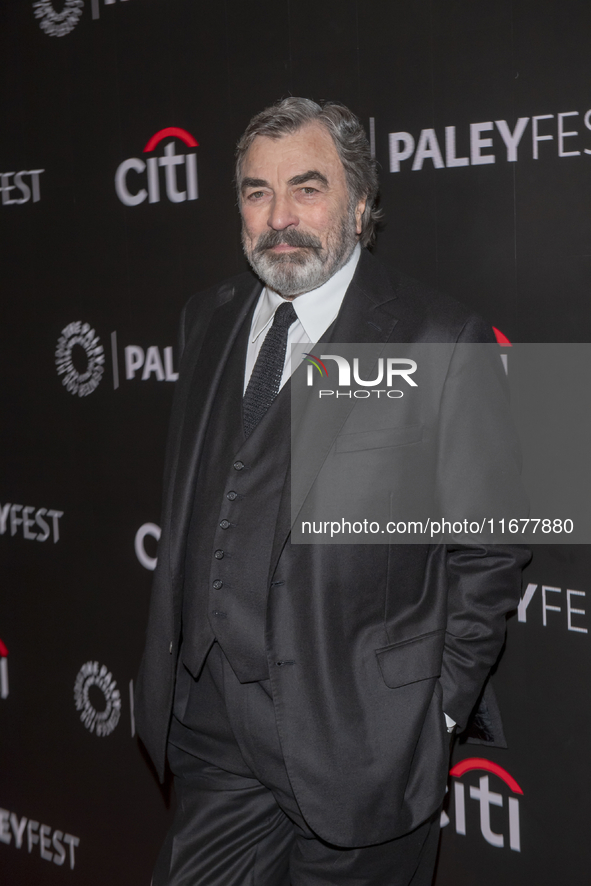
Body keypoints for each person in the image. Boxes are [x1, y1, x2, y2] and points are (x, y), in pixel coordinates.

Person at [135, 97, 529, 886]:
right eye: (255, 192)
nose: (278, 217)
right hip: (212, 726)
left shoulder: (439, 333)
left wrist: (438, 709)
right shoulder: (205, 318)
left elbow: (497, 539)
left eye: (306, 188)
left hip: (362, 739)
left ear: (358, 201)